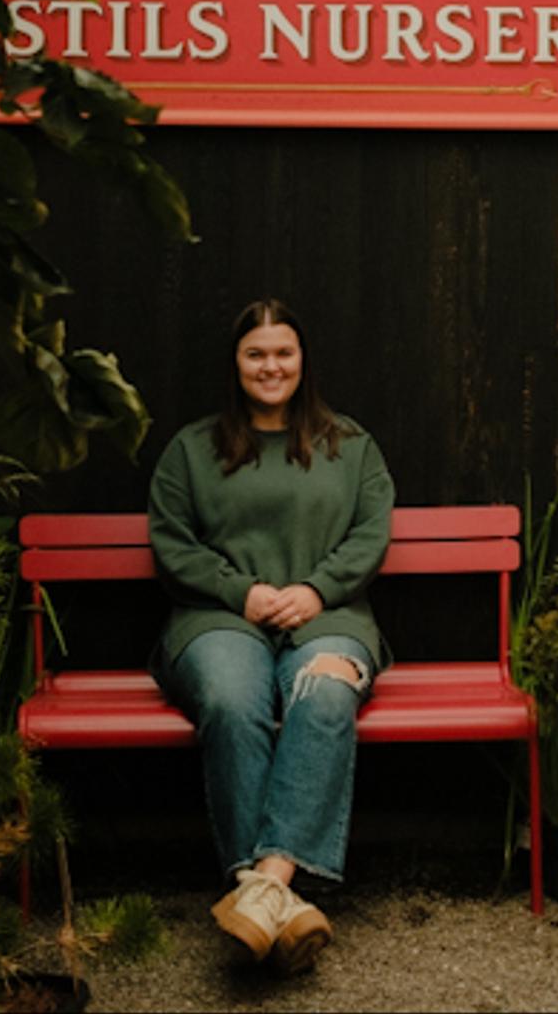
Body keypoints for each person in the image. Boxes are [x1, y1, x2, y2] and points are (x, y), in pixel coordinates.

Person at [147, 298, 395, 975]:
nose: (270, 366)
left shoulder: (351, 446)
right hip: (218, 620)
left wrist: (316, 589)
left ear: (301, 359)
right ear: (236, 363)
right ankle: (277, 906)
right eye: (256, 353)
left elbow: (371, 536)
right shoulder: (192, 450)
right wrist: (242, 593)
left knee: (323, 695)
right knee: (230, 698)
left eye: (282, 352)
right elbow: (172, 543)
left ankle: (263, 890)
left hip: (330, 617)